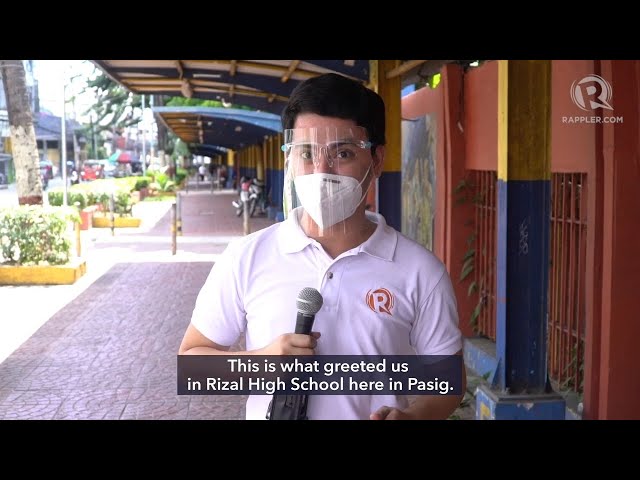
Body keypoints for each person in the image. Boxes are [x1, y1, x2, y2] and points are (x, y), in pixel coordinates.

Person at [178, 73, 465, 420]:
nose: (321, 171)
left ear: (376, 160)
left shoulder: (420, 271)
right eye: (306, 153)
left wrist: (415, 416)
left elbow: (447, 381)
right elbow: (194, 365)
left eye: (342, 153)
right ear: (290, 159)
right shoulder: (247, 257)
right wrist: (261, 363)